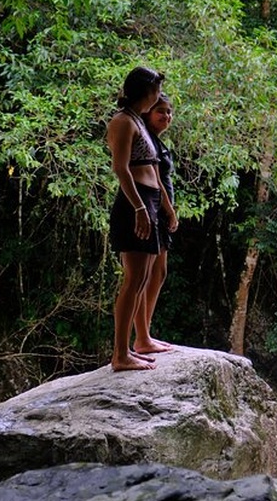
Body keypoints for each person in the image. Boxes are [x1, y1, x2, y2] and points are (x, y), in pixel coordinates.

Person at [107, 66, 172, 371]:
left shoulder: (137, 120)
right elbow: (121, 168)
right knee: (133, 280)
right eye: (155, 90)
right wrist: (139, 208)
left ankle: (138, 343)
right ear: (144, 92)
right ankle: (120, 354)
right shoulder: (122, 121)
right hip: (135, 203)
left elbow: (153, 169)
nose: (158, 96)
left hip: (149, 200)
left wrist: (162, 207)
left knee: (143, 278)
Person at [132, 93, 178, 355]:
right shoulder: (146, 140)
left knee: (158, 273)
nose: (166, 116)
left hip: (159, 212)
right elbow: (156, 179)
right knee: (144, 275)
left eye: (169, 112)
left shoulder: (156, 141)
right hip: (153, 209)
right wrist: (169, 211)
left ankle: (145, 332)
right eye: (160, 111)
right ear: (147, 112)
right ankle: (141, 337)